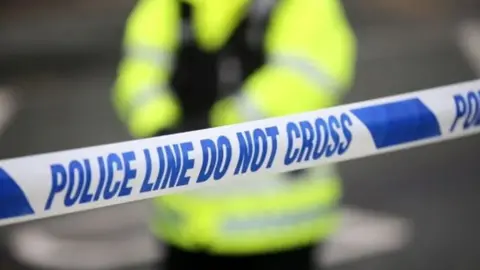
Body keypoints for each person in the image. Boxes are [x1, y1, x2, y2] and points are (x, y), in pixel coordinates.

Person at [112, 0, 357, 269]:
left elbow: (302, 82)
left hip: (279, 228)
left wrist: (214, 127)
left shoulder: (302, 5)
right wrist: (160, 129)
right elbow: (138, 76)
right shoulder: (164, 6)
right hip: (186, 228)